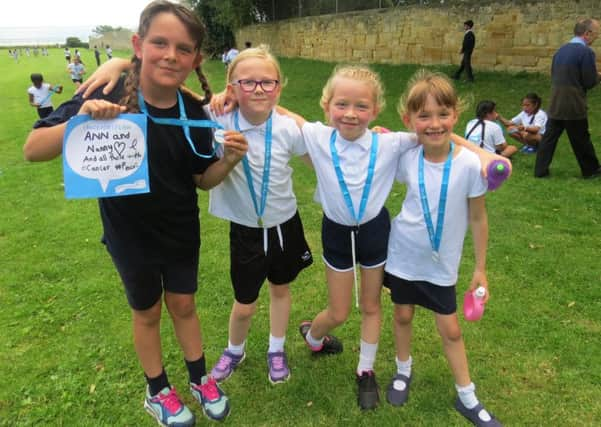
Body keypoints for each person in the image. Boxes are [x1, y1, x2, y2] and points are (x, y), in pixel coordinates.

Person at [23, 1, 248, 426]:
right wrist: (81, 119)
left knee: (184, 304)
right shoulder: (105, 94)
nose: (170, 55)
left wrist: (230, 161)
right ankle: (157, 389)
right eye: (159, 43)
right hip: (130, 237)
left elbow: (203, 179)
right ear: (138, 45)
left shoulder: (192, 111)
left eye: (183, 49)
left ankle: (200, 379)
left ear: (195, 59)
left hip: (181, 230)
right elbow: (33, 150)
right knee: (147, 312)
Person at [276, 65, 509, 411]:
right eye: (341, 105)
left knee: (371, 306)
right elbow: (279, 112)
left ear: (375, 110)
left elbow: (439, 131)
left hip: (375, 232)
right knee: (339, 312)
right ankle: (313, 336)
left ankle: (365, 370)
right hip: (337, 233)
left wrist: (486, 155)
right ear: (326, 106)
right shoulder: (315, 135)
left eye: (361, 106)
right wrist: (232, 95)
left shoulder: (391, 142)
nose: (351, 114)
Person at [80, 44, 314, 387]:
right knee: (245, 304)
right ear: (231, 87)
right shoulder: (213, 117)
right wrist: (121, 62)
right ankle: (235, 350)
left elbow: (322, 149)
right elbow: (174, 93)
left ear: (279, 86)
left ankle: (276, 350)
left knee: (281, 289)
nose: (258, 89)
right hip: (246, 229)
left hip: (285, 223)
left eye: (268, 83)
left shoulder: (289, 128)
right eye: (247, 83)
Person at [383, 70, 501, 426]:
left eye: (443, 114)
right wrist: (378, 135)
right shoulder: (407, 158)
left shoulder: (469, 165)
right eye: (424, 116)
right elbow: (378, 149)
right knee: (402, 315)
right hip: (403, 255)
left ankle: (467, 395)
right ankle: (403, 370)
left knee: (450, 329)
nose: (434, 124)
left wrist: (479, 268)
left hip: (442, 264)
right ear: (409, 120)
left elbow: (478, 219)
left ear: (456, 114)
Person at [535, 18, 601, 179]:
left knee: (549, 138)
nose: (597, 38)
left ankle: (540, 170)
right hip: (573, 102)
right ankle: (591, 170)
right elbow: (589, 81)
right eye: (596, 34)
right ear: (587, 33)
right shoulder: (586, 52)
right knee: (581, 138)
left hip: (556, 101)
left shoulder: (560, 50)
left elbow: (554, 74)